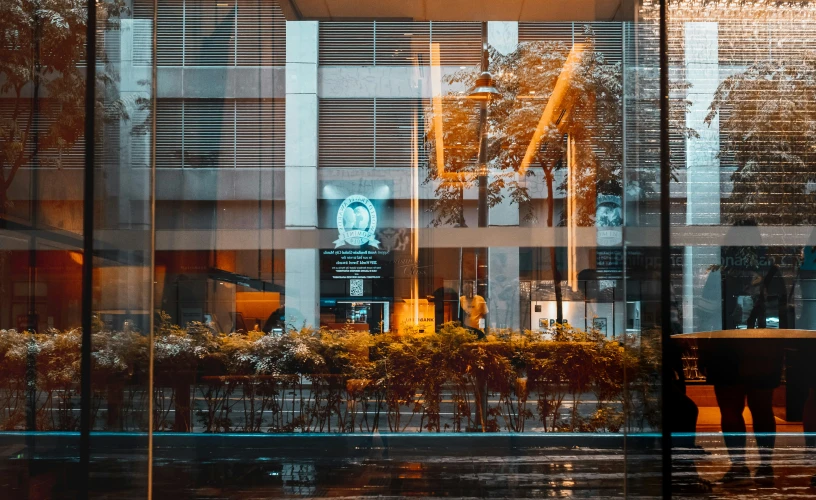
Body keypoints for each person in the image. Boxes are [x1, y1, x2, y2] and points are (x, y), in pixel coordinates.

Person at [697, 220, 786, 486]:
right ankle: (765, 466)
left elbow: (706, 313)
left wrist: (703, 349)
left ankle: (738, 465)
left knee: (730, 409)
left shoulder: (722, 272)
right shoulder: (770, 271)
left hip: (726, 348)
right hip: (763, 349)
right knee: (762, 409)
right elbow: (783, 314)